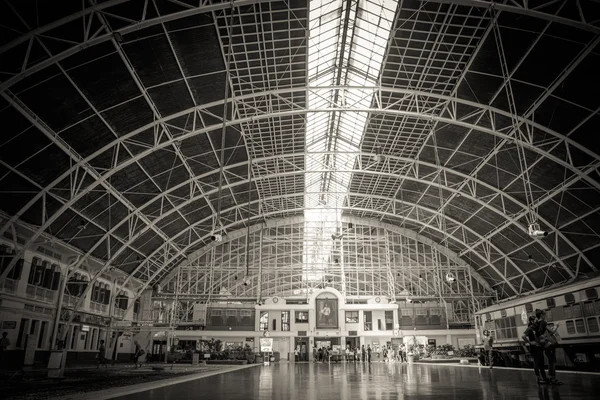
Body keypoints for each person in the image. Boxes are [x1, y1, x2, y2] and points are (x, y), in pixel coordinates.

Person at [534, 309, 563, 385]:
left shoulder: (536, 323)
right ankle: (553, 379)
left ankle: (551, 377)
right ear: (541, 315)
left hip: (544, 345)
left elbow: (537, 334)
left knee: (551, 361)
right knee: (552, 361)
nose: (545, 316)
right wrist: (556, 326)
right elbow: (552, 331)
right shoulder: (543, 322)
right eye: (544, 314)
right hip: (549, 345)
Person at [522, 316, 547, 384]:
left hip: (539, 347)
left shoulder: (536, 328)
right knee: (537, 363)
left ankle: (544, 377)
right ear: (532, 321)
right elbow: (523, 336)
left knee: (541, 363)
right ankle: (538, 378)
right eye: (536, 320)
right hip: (534, 348)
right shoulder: (530, 328)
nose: (537, 321)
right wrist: (530, 342)